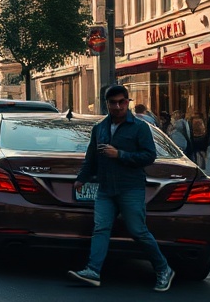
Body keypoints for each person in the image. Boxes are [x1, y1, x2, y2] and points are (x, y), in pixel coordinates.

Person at [68, 85, 174, 292]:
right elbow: (91, 158)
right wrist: (81, 178)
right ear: (106, 104)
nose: (117, 106)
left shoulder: (139, 127)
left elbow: (149, 156)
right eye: (113, 103)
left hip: (130, 188)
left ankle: (163, 268)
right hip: (106, 189)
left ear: (127, 102)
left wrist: (120, 155)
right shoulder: (99, 128)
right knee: (100, 228)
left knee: (138, 231)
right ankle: (93, 270)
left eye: (121, 102)